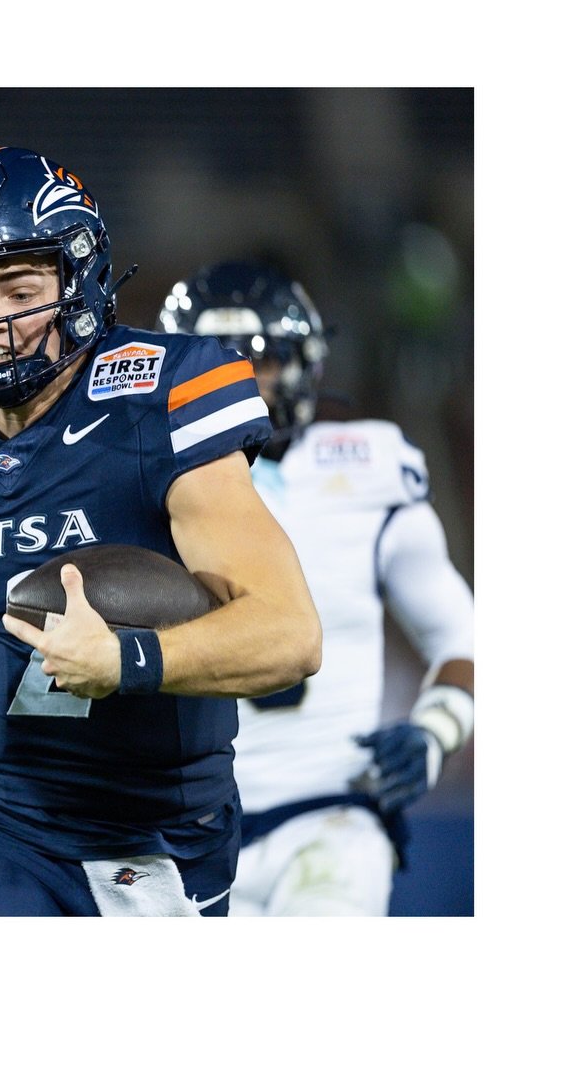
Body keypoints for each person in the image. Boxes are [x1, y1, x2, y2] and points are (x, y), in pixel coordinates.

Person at [0, 146, 322, 918]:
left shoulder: (161, 398)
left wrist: (126, 658)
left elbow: (290, 634)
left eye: (18, 290)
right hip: (3, 820)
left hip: (165, 831)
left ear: (79, 280)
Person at [157, 260, 474, 915]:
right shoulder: (140, 481)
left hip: (333, 812)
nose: (242, 383)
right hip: (186, 834)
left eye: (260, 360)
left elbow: (462, 634)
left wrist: (434, 731)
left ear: (302, 362)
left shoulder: (366, 466)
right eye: (219, 364)